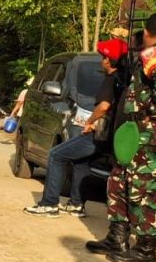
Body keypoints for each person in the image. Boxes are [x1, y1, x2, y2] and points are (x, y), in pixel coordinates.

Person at [100, 13, 156, 262]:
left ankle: (146, 249)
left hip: (151, 132)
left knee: (144, 190)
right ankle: (117, 237)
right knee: (119, 180)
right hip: (139, 130)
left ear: (147, 32)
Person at [23, 40, 126, 217]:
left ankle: (49, 204)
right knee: (81, 160)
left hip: (99, 134)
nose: (102, 61)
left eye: (103, 57)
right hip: (112, 136)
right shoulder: (123, 80)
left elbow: (103, 106)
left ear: (109, 61)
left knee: (56, 154)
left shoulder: (110, 80)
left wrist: (90, 121)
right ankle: (76, 204)